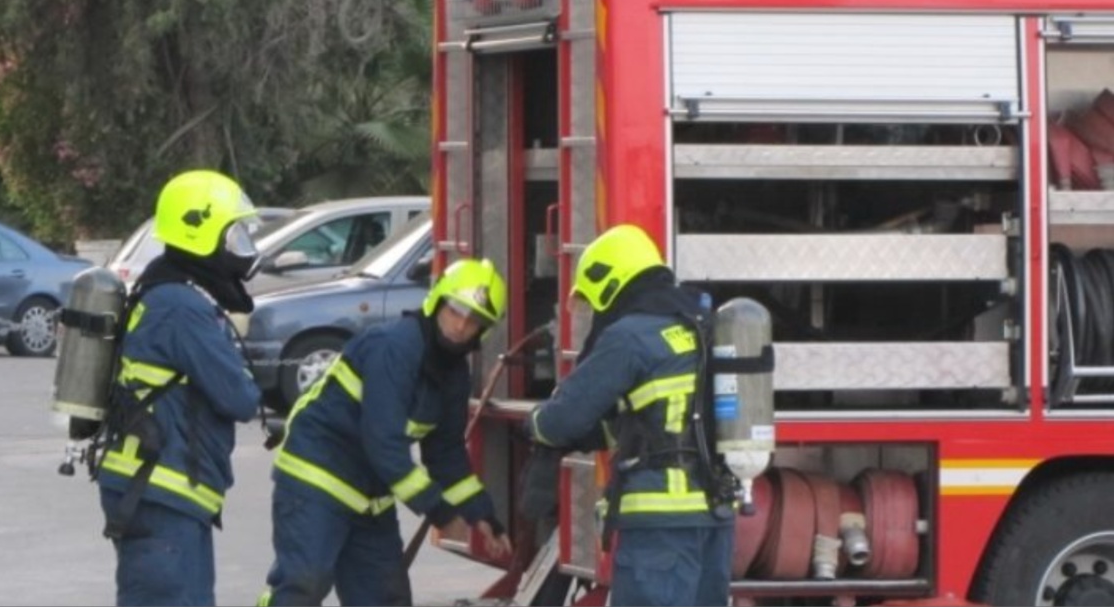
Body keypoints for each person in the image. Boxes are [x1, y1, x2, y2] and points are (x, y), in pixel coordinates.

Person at [260, 257, 514, 606]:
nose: (460, 326)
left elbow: (446, 454)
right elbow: (384, 444)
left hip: (370, 497)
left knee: (384, 599)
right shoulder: (395, 346)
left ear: (483, 330)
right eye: (456, 311)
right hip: (316, 479)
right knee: (304, 584)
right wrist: (439, 511)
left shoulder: (454, 376)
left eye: (473, 321)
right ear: (437, 302)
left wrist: (481, 513)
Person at [524, 224, 734, 607]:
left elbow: (562, 421)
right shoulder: (701, 326)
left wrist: (535, 422)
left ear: (611, 283)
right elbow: (658, 422)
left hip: (659, 526)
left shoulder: (631, 336)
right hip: (714, 517)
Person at [95, 170, 263, 606]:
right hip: (162, 495)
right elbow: (241, 398)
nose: (241, 248)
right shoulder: (182, 306)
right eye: (234, 235)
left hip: (162, 493)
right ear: (201, 232)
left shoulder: (166, 290)